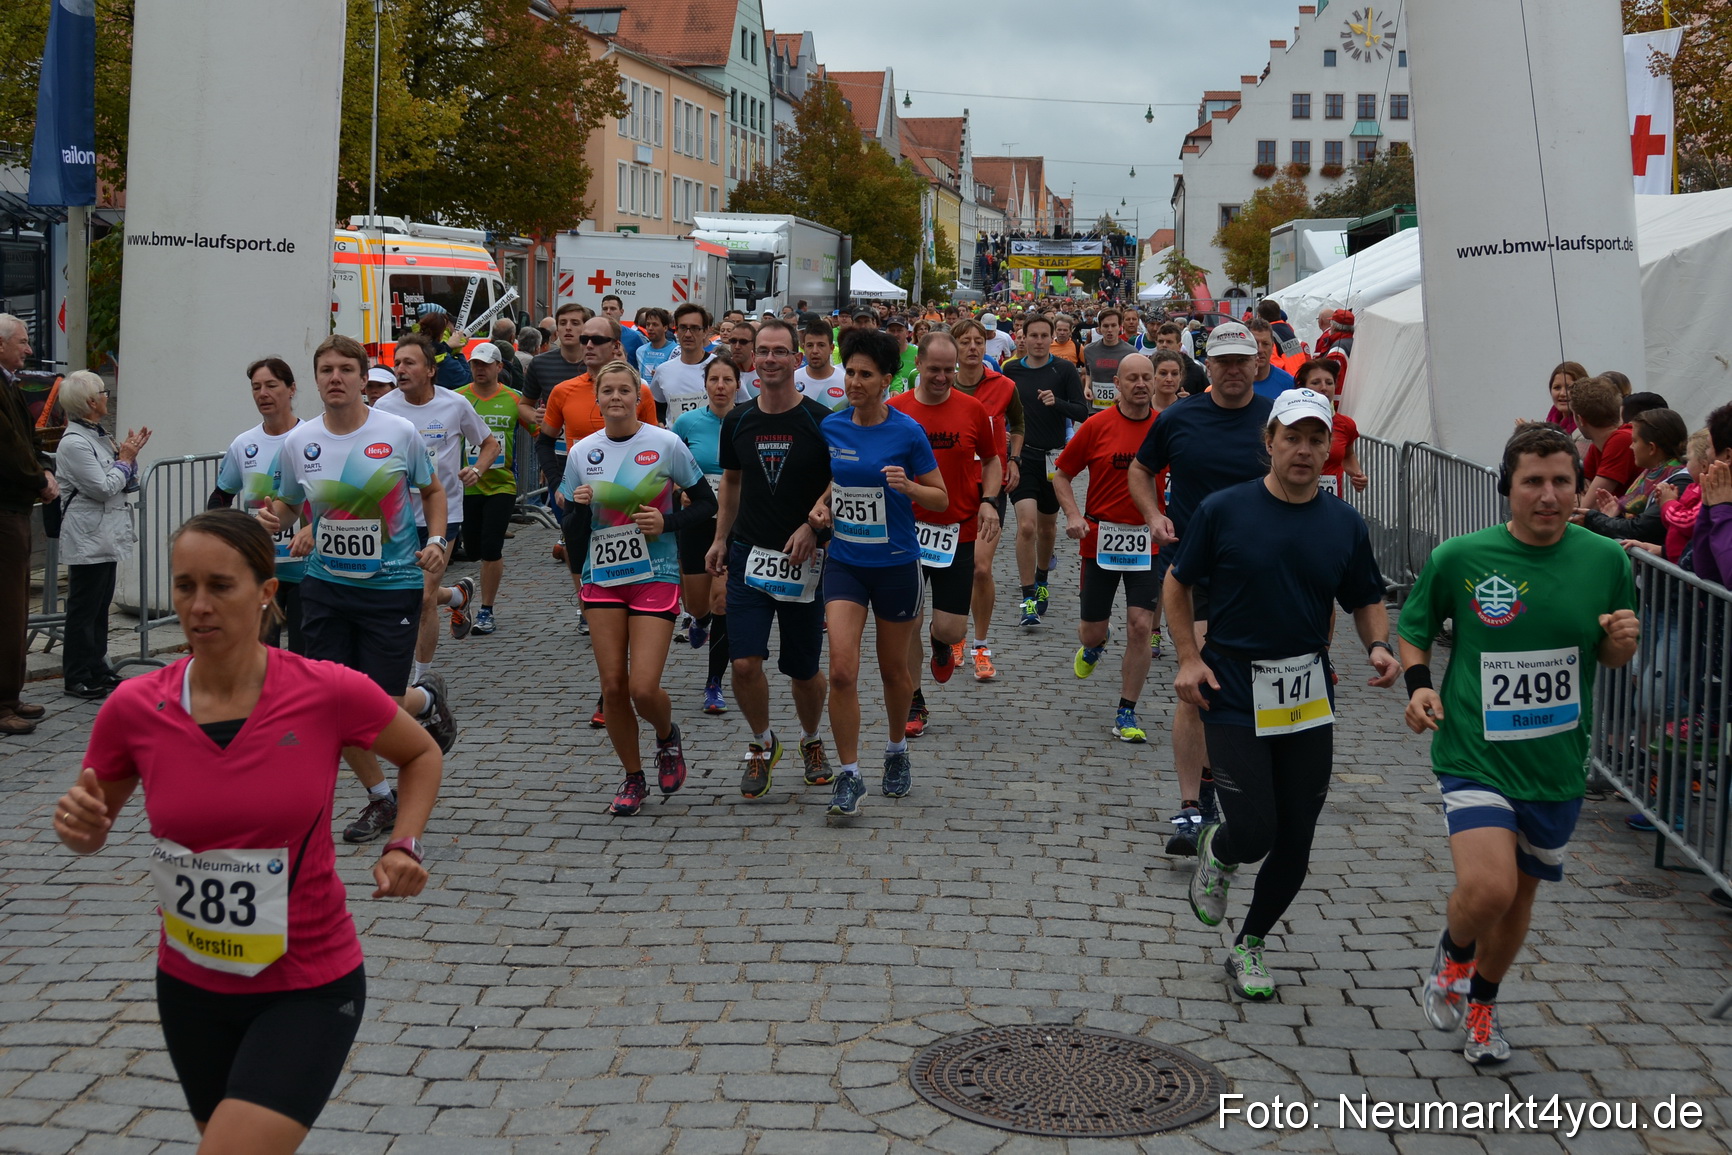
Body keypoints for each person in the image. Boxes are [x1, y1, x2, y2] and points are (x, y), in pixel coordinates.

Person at [54, 509, 441, 1152]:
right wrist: (78, 827)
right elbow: (91, 828)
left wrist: (405, 841)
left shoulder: (325, 691)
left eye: (220, 586)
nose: (199, 605)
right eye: (185, 586)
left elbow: (421, 754)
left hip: (307, 984)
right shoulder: (133, 707)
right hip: (190, 984)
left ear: (266, 592)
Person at [1401, 424, 1637, 1064]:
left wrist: (1621, 640)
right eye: (1533, 481)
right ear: (1508, 489)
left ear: (1579, 488)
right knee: (1491, 888)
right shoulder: (1461, 557)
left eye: (1562, 481)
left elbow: (1613, 656)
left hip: (1556, 764)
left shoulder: (1606, 561)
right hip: (1473, 753)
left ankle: (1484, 1008)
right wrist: (1420, 686)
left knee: (1519, 898)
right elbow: (1415, 627)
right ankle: (1452, 954)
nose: (1549, 495)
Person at [1174, 388, 1400, 999]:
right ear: (1269, 442)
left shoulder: (1344, 523)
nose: (1304, 450)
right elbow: (1178, 583)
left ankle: (1250, 944)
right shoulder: (1225, 510)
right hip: (1233, 685)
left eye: (1316, 440)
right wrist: (1190, 658)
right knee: (1255, 830)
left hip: (1305, 689)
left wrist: (1378, 645)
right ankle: (1219, 850)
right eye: (1292, 438)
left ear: (1330, 449)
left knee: (1296, 836)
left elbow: (1365, 598)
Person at [265, 334, 457, 846]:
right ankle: (380, 797)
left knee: (381, 708)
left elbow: (432, 490)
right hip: (325, 585)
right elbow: (287, 504)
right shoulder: (298, 442)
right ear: (315, 379)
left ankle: (425, 697)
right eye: (326, 369)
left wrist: (436, 539)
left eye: (346, 369)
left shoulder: (398, 432)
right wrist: (273, 519)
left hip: (391, 585)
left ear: (363, 376)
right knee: (332, 707)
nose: (335, 378)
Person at [1127, 321, 1275, 856]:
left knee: (1248, 689)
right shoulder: (1180, 418)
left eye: (1243, 361)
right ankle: (1193, 806)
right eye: (1223, 362)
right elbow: (1142, 471)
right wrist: (1153, 515)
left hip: (1262, 575)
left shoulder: (1277, 421)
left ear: (1257, 364)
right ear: (1206, 366)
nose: (1234, 371)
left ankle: (1228, 788)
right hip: (1192, 571)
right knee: (1198, 680)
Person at [556, 361, 714, 816]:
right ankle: (633, 776)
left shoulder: (666, 444)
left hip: (655, 574)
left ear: (638, 396)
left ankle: (666, 736)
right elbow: (572, 533)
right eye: (608, 391)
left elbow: (707, 504)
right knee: (613, 686)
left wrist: (668, 521)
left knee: (644, 688)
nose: (617, 398)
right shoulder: (582, 453)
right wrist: (580, 511)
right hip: (602, 579)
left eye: (626, 390)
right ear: (598, 399)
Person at [706, 317, 836, 798]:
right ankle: (762, 745)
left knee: (803, 669)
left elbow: (839, 481)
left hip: (804, 562)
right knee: (743, 664)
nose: (771, 359)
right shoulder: (737, 420)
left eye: (781, 351)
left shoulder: (820, 421)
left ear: (797, 358)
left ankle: (811, 738)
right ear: (752, 359)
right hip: (748, 557)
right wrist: (720, 539)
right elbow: (732, 484)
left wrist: (813, 521)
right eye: (763, 351)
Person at [820, 327, 947, 816]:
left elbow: (941, 497)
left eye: (865, 375)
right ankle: (849, 775)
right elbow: (829, 482)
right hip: (846, 564)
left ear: (887, 380)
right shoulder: (832, 427)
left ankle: (896, 750)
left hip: (896, 564)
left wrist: (909, 488)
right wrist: (819, 512)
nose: (854, 382)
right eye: (849, 372)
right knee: (842, 671)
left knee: (895, 671)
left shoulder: (906, 431)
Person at [890, 331, 1001, 737]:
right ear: (917, 365)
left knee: (951, 629)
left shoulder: (973, 410)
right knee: (907, 624)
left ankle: (943, 645)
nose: (941, 377)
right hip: (905, 533)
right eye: (933, 369)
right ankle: (914, 700)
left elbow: (991, 460)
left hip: (958, 530)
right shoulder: (895, 411)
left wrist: (990, 498)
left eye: (948, 370)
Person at [1053, 354, 1162, 742]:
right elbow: (1062, 475)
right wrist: (1073, 515)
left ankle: (1126, 712)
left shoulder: (1166, 428)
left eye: (1146, 378)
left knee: (1141, 625)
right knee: (1090, 633)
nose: (1140, 384)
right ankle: (1096, 645)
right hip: (1099, 540)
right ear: (1115, 383)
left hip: (1147, 543)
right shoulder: (1097, 426)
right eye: (1131, 378)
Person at [374, 333, 499, 668]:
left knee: (424, 597)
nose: (400, 369)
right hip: (395, 518)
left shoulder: (454, 404)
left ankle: (420, 678)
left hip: (442, 514)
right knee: (406, 593)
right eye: (397, 363)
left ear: (430, 370)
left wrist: (476, 469)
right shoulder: (383, 408)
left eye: (408, 363)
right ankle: (457, 595)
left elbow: (489, 444)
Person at [55, 371, 149, 700]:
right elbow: (103, 486)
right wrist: (124, 460)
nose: (108, 396)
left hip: (105, 533)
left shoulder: (98, 436)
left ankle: (97, 666)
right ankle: (77, 674)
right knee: (83, 609)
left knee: (99, 606)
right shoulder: (75, 443)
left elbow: (123, 480)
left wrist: (128, 457)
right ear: (90, 402)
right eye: (103, 392)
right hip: (88, 536)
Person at [210, 357, 305, 652]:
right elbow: (220, 499)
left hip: (308, 570)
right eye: (256, 387)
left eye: (271, 385)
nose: (263, 393)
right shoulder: (244, 444)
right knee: (262, 655)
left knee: (305, 657)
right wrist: (233, 537)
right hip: (262, 569)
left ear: (291, 389)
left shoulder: (312, 438)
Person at [1003, 314, 1090, 627]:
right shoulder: (1010, 370)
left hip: (1054, 459)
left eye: (1044, 336)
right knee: (1025, 527)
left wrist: (1058, 403)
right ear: (1022, 338)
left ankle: (1042, 578)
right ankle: (1028, 597)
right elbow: (1002, 411)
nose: (1038, 341)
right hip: (1022, 456)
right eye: (1033, 336)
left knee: (1046, 528)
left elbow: (1082, 412)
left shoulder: (1063, 369)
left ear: (1052, 338)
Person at [951, 319, 1024, 680]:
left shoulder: (1004, 385)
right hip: (949, 487)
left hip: (988, 488)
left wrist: (1013, 458)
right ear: (954, 348)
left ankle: (981, 644)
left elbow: (1019, 424)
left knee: (980, 567)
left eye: (979, 341)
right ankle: (954, 636)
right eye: (965, 342)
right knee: (954, 569)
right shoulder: (939, 384)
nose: (973, 347)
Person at [673, 355, 744, 713]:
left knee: (723, 602)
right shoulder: (686, 423)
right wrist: (680, 491)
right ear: (705, 385)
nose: (719, 386)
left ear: (737, 384)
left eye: (726, 380)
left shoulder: (747, 420)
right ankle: (698, 621)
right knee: (699, 605)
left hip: (734, 524)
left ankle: (714, 683)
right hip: (697, 521)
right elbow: (665, 467)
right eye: (713, 379)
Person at [455, 342, 538, 635]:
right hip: (465, 487)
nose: (479, 369)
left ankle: (486, 610)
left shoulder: (514, 399)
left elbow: (539, 431)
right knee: (474, 549)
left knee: (491, 548)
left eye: (485, 365)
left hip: (501, 485)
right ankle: (464, 591)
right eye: (475, 364)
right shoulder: (458, 399)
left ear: (499, 368)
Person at [0, 312, 56, 734]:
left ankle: (10, 694)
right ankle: (2, 702)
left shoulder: (10, 383)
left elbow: (28, 440)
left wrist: (42, 468)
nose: (30, 349)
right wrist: (39, 478)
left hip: (15, 509)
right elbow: (8, 446)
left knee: (16, 605)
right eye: (22, 341)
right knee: (7, 606)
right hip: (5, 510)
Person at [1578, 408, 1689, 545]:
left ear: (1652, 448)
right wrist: (1616, 516)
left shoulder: (1678, 482)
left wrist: (1594, 519)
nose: (1631, 447)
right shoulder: (1651, 473)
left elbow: (1641, 529)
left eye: (1635, 441)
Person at [1294, 359, 1367, 497]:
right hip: (1294, 498)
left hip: (1330, 503)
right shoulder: (1290, 422)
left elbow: (1348, 455)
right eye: (1316, 382)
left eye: (1329, 383)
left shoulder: (1346, 424)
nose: (1324, 388)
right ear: (1303, 387)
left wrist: (1358, 474)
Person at [1570, 376, 1638, 501]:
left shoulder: (1621, 440)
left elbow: (1586, 507)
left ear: (1580, 419)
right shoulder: (1598, 446)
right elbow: (1583, 494)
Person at [648, 303, 716, 424]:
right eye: (683, 328)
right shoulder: (663, 371)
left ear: (705, 331)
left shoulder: (719, 367)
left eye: (695, 328)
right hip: (675, 440)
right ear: (676, 330)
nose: (688, 334)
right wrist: (660, 424)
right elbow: (656, 408)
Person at [525, 302, 589, 405]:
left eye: (575, 323)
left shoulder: (598, 364)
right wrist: (535, 416)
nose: (568, 327)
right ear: (557, 330)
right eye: (563, 323)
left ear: (586, 328)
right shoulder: (539, 363)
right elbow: (525, 405)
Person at [1082, 308, 1136, 410]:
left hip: (1121, 408)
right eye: (1106, 326)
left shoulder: (1131, 352)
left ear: (1120, 327)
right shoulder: (1089, 350)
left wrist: (1124, 394)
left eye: (1113, 325)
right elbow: (1089, 373)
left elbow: (1135, 380)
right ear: (1100, 328)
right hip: (1095, 409)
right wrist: (1086, 387)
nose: (1109, 330)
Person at [794, 319, 848, 411]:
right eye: (810, 345)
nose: (815, 351)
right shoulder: (793, 379)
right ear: (803, 347)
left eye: (821, 345)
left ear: (831, 348)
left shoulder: (845, 381)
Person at [415, 305, 472, 391]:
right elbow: (467, 380)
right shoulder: (444, 360)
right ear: (442, 329)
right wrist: (458, 351)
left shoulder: (413, 347)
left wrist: (448, 347)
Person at [1247, 319, 1296, 401]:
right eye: (1255, 343)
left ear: (1272, 347)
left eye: (1265, 344)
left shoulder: (1289, 385)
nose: (1260, 350)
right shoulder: (1234, 383)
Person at [634, 307, 679, 381]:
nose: (650, 328)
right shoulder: (640, 351)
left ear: (665, 328)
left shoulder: (676, 351)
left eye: (655, 325)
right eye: (648, 324)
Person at [601, 294, 647, 365]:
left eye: (613, 309)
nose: (608, 312)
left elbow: (644, 363)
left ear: (621, 312)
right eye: (605, 309)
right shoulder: (595, 335)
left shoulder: (634, 337)